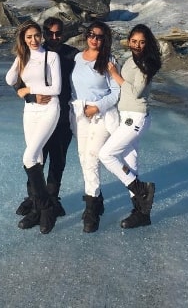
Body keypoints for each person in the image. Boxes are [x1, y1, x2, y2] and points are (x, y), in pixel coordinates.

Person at [99, 24, 161, 228]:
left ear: (148, 43)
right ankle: (141, 212)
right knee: (129, 163)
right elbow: (121, 87)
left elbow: (136, 91)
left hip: (135, 118)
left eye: (142, 42)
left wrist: (115, 74)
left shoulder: (146, 63)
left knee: (106, 154)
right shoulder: (130, 60)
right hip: (126, 115)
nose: (137, 45)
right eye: (134, 41)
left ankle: (140, 188)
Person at [15, 17, 78, 218]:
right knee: (35, 156)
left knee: (57, 160)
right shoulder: (33, 53)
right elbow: (18, 80)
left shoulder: (71, 55)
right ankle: (34, 197)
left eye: (58, 33)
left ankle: (51, 198)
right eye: (49, 33)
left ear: (63, 34)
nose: (54, 37)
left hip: (62, 117)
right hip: (39, 113)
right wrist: (26, 93)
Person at [5, 20, 61, 234]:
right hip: (30, 111)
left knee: (28, 158)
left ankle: (47, 209)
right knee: (36, 159)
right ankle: (38, 209)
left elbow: (56, 88)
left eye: (37, 35)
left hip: (49, 109)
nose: (34, 40)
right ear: (23, 39)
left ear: (42, 36)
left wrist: (28, 90)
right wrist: (20, 58)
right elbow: (9, 79)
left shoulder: (51, 57)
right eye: (29, 37)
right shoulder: (24, 57)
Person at [70, 21, 120, 233]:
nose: (94, 39)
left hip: (100, 115)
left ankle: (91, 208)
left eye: (99, 36)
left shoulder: (108, 60)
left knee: (92, 156)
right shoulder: (77, 59)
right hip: (79, 113)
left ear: (104, 39)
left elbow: (116, 92)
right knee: (83, 156)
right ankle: (96, 201)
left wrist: (97, 107)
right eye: (91, 34)